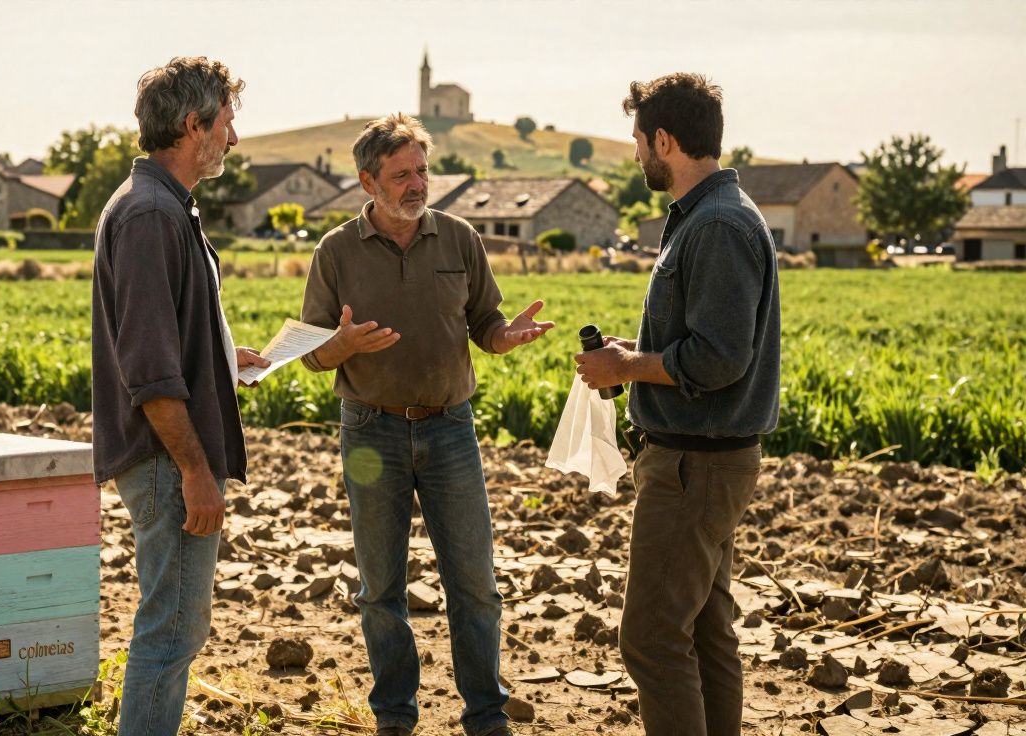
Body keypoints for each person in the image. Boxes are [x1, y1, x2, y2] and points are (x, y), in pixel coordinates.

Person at [300, 113, 553, 736]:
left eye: (422, 170)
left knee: (475, 584)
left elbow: (485, 323)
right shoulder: (335, 251)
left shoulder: (460, 237)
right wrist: (342, 345)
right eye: (401, 174)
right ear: (368, 181)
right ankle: (394, 717)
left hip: (449, 430)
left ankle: (486, 716)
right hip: (371, 433)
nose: (417, 184)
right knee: (380, 589)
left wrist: (504, 337)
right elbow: (310, 354)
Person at [574, 73, 781, 736]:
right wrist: (634, 352)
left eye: (638, 140)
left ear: (664, 140)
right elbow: (702, 340)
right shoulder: (710, 216)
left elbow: (719, 358)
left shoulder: (717, 225)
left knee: (654, 637)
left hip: (696, 465)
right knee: (705, 630)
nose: (636, 153)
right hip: (706, 461)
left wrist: (627, 367)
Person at [90, 56, 268, 735]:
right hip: (168, 459)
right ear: (194, 125)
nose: (234, 138)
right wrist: (195, 469)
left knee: (173, 629)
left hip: (167, 456)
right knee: (170, 633)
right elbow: (149, 368)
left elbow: (162, 339)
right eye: (227, 123)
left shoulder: (163, 205)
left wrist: (221, 357)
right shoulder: (151, 215)